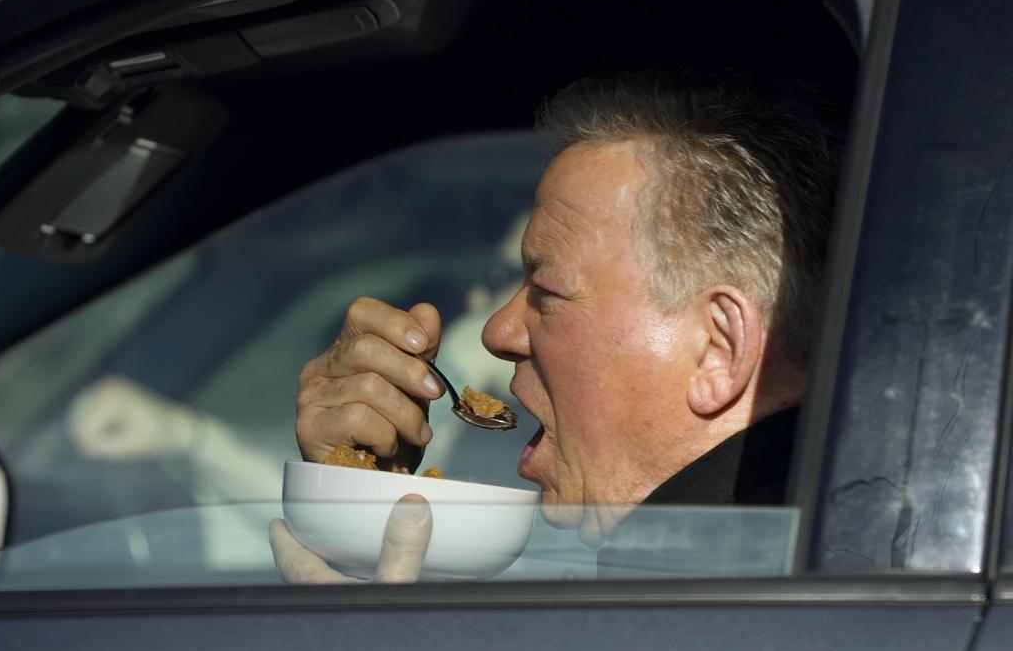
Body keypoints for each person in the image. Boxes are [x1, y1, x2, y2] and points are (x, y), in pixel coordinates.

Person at [270, 71, 844, 583]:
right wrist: (359, 506)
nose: (497, 332)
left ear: (718, 348)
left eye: (546, 291)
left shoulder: (747, 604)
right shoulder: (802, 561)